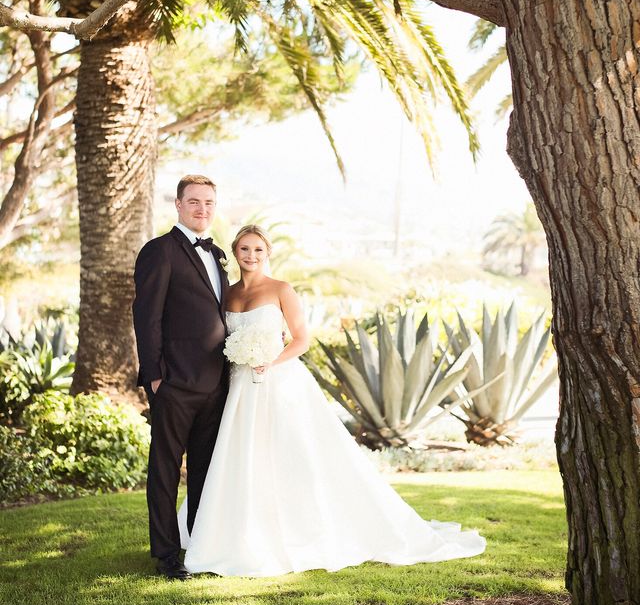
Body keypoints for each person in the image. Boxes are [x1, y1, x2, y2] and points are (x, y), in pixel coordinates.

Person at [178, 224, 486, 577]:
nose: (251, 256)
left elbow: (301, 340)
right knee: (241, 454)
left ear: (268, 254)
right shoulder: (228, 295)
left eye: (258, 250)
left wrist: (270, 359)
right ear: (236, 253)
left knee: (291, 454)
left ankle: (297, 530)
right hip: (240, 388)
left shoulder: (281, 289)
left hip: (279, 383)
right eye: (245, 250)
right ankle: (233, 531)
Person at [132, 175, 229, 580]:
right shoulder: (160, 251)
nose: (201, 209)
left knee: (207, 469)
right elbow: (146, 317)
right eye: (194, 202)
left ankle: (200, 545)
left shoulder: (219, 253)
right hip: (174, 384)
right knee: (166, 469)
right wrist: (155, 377)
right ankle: (167, 555)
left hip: (216, 384)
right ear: (177, 204)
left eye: (208, 202)